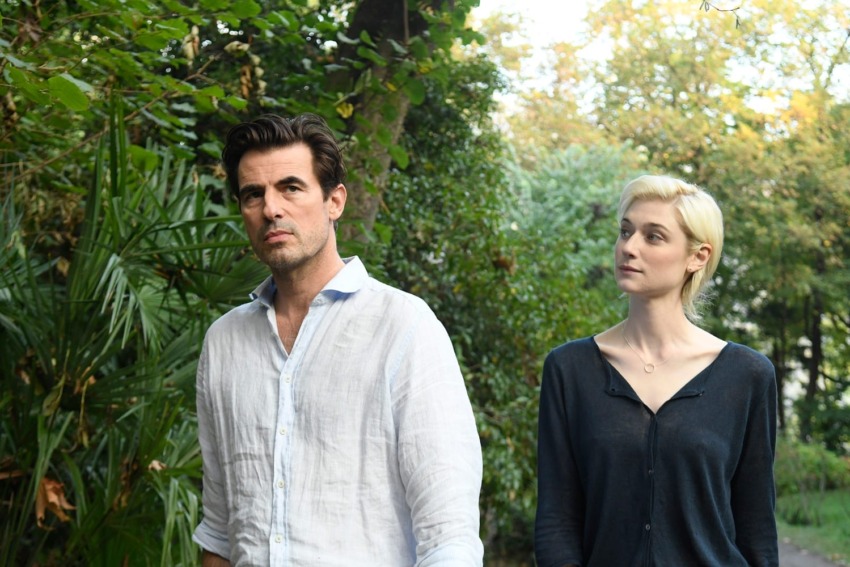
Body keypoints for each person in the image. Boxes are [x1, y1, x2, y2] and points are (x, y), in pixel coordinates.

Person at [192, 113, 484, 566]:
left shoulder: (404, 327)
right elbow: (220, 531)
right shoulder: (224, 342)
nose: (272, 208)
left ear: (335, 201)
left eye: (290, 187)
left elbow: (448, 535)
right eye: (254, 194)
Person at [534, 175, 778, 566]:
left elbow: (757, 528)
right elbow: (557, 521)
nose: (628, 248)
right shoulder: (569, 370)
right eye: (625, 231)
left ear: (697, 256)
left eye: (653, 237)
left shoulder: (748, 376)